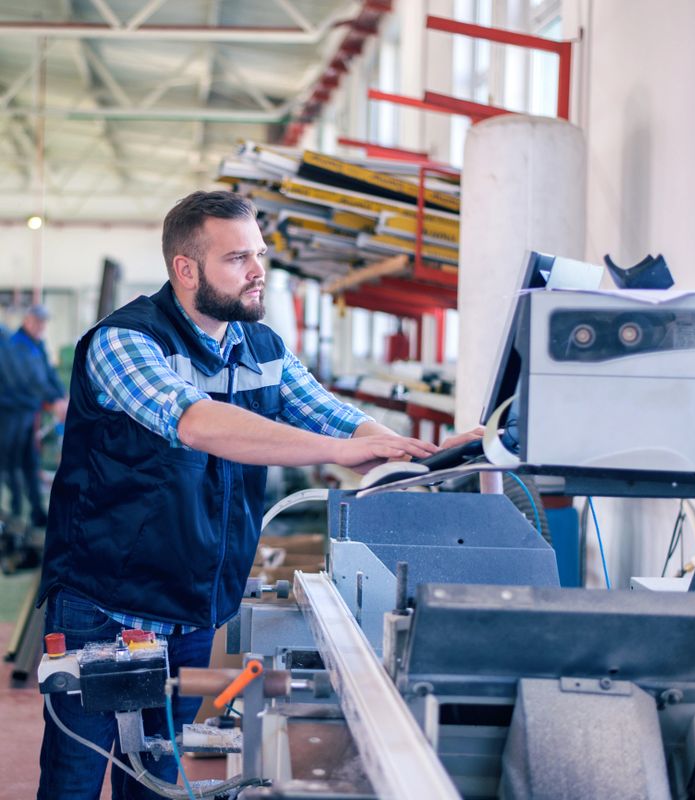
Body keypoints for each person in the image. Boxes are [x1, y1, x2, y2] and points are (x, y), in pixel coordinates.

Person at [36, 190, 470, 799]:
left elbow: (331, 415)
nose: (258, 271)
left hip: (190, 605)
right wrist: (339, 454)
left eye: (258, 254)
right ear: (186, 270)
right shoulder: (126, 342)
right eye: (238, 258)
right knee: (74, 779)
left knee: (157, 777)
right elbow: (198, 423)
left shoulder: (260, 348)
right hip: (106, 604)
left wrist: (420, 450)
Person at [6, 304, 68, 528]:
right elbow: (33, 380)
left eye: (44, 323)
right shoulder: (15, 346)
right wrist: (54, 401)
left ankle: (35, 512)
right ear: (28, 321)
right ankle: (13, 512)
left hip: (28, 412)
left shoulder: (38, 344)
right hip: (10, 414)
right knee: (11, 464)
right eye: (39, 322)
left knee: (30, 462)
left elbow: (49, 373)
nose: (42, 326)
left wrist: (62, 395)